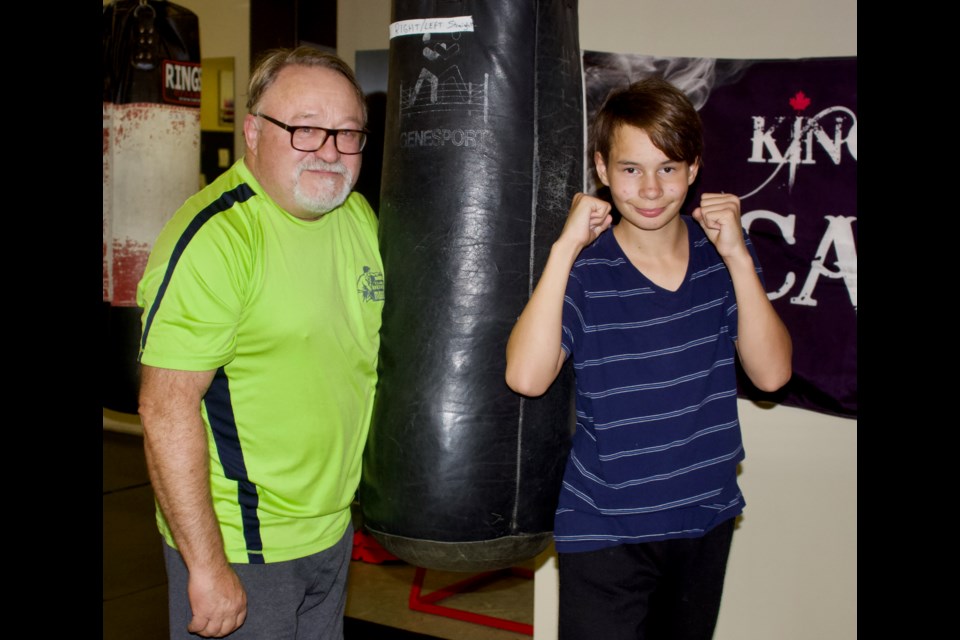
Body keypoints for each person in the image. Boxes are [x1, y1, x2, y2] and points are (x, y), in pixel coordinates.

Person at [505, 76, 792, 640]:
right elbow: (526, 377)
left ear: (693, 170)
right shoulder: (584, 270)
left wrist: (737, 256)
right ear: (602, 170)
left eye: (669, 168)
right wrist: (564, 248)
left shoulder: (721, 257)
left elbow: (772, 374)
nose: (652, 188)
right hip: (605, 528)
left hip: (703, 517)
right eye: (632, 169)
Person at [136, 46, 384, 639]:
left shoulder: (358, 218)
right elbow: (164, 409)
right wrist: (206, 565)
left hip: (330, 531)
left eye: (347, 133)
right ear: (252, 131)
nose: (329, 150)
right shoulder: (216, 240)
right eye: (304, 130)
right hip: (243, 545)